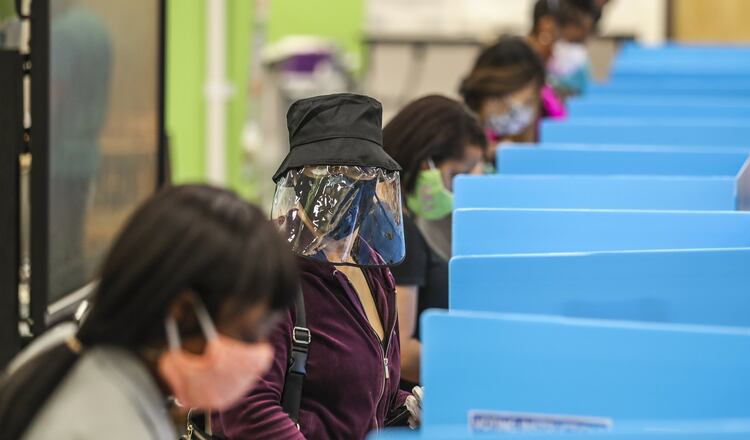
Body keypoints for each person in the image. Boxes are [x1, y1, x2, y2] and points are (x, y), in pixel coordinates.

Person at [0, 185, 299, 439]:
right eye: (247, 336)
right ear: (183, 313)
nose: (258, 357)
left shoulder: (65, 347)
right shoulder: (110, 427)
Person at [215, 93, 419, 439]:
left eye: (361, 179)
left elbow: (364, 393)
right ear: (301, 182)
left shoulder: (372, 269)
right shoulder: (269, 272)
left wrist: (407, 407)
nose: (348, 193)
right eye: (334, 179)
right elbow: (247, 409)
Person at [382, 95, 486, 387]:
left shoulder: (392, 222)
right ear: (423, 161)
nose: (454, 191)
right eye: (455, 175)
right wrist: (479, 369)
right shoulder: (400, 233)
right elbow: (400, 352)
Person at [459, 36, 545, 169]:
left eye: (527, 102)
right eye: (501, 100)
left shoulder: (545, 123)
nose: (514, 112)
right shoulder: (457, 133)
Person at [547, 0, 596, 97]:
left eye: (587, 29)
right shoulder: (554, 49)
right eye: (581, 28)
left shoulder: (579, 53)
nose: (584, 33)